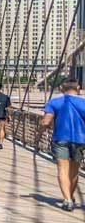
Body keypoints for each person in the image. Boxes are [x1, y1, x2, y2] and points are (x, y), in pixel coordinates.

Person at [36, 79, 85, 211]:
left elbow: (46, 122)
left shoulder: (54, 102)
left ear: (62, 89)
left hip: (60, 139)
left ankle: (67, 199)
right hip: (80, 140)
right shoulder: (84, 103)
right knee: (74, 172)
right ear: (78, 88)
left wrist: (39, 135)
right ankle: (70, 196)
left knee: (62, 170)